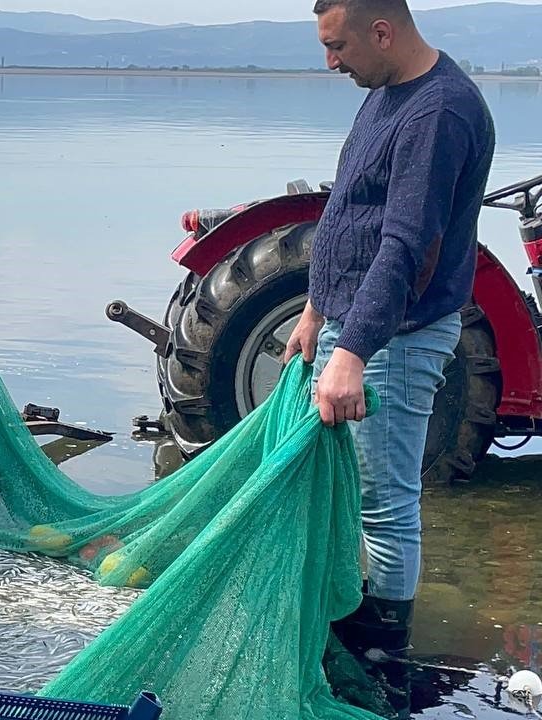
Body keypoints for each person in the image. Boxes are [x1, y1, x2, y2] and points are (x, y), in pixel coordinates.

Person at [283, 0, 495, 713]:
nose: (331, 62)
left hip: (396, 337)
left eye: (339, 46)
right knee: (349, 496)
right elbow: (347, 206)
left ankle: (380, 665)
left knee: (385, 507)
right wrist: (316, 310)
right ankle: (350, 634)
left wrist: (356, 353)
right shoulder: (386, 95)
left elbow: (406, 244)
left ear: (382, 30)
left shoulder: (439, 112)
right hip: (351, 325)